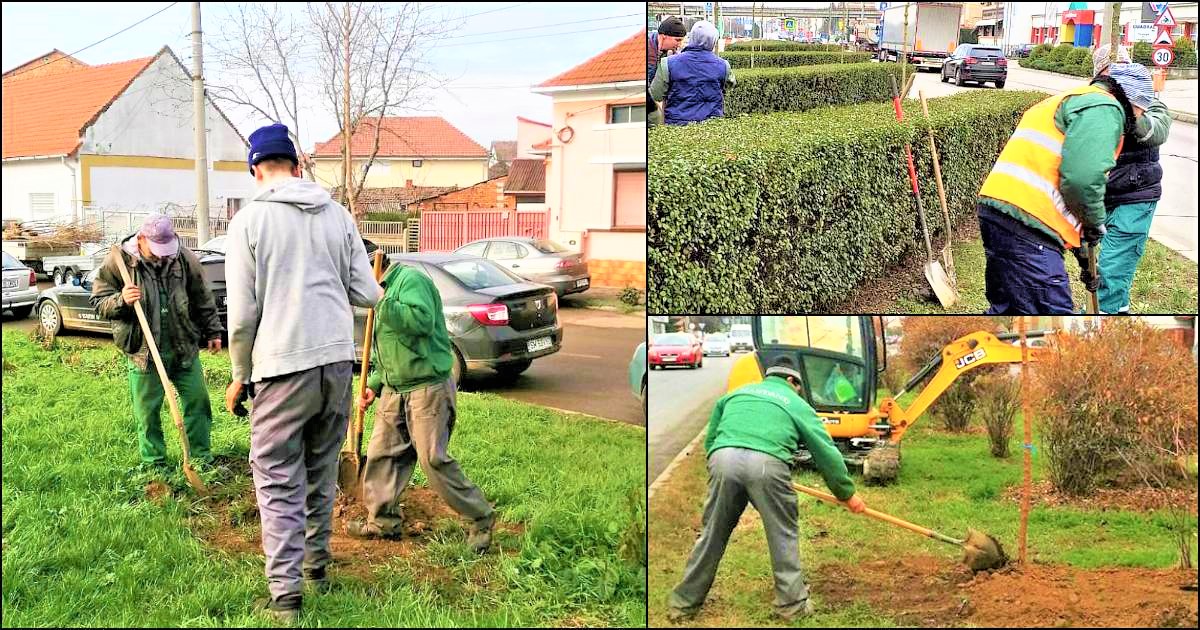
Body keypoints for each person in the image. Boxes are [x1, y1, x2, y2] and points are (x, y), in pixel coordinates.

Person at [223, 122, 382, 623]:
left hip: (280, 365)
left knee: (275, 477)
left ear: (255, 170)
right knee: (319, 468)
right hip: (336, 363)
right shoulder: (338, 216)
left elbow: (243, 316)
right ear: (297, 166)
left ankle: (286, 596)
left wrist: (238, 373)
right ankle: (317, 566)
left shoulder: (249, 223)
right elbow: (369, 295)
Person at [667, 360, 866, 623]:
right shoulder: (796, 404)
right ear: (793, 382)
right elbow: (825, 452)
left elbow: (712, 439)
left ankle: (683, 605)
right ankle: (792, 605)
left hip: (723, 459)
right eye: (798, 387)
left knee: (711, 533)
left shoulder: (735, 394)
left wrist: (721, 468)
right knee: (782, 533)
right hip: (767, 466)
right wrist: (847, 494)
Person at [347, 260, 495, 554]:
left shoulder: (411, 281)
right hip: (394, 389)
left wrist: (381, 300)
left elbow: (420, 323)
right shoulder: (382, 291)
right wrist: (374, 384)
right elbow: (390, 349)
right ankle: (383, 522)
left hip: (427, 387)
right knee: (382, 455)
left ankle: (480, 517)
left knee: (432, 459)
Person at [976, 53, 1136, 314]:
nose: (1137, 122)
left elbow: (1068, 184)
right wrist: (1095, 223)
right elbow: (1082, 182)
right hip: (1029, 222)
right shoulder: (1105, 107)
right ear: (1130, 100)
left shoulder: (1069, 99)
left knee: (1009, 310)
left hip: (999, 211)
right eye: (1140, 111)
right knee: (1051, 315)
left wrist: (1085, 256)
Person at [91, 214, 223, 474]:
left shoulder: (184, 258)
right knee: (148, 413)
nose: (163, 256)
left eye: (167, 249)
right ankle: (155, 466)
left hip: (183, 346)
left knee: (198, 402)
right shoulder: (119, 262)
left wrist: (213, 330)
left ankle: (200, 459)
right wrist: (121, 300)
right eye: (157, 249)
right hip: (144, 351)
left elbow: (201, 296)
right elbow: (98, 302)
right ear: (141, 240)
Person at [1089, 52, 1171, 314]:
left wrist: (1130, 109)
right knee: (1116, 271)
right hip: (1106, 197)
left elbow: (1156, 131)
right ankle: (1118, 312)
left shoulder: (1150, 104)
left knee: (1111, 271)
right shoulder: (1095, 99)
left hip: (1136, 198)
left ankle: (1098, 323)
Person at [649, 20, 736, 126]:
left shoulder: (668, 63)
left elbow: (655, 94)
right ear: (713, 41)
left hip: (677, 127)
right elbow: (729, 85)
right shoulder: (724, 66)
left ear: (692, 37)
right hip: (712, 126)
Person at [649, 17, 687, 126]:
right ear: (664, 36)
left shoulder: (664, 52)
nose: (679, 44)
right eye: (677, 40)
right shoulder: (648, 52)